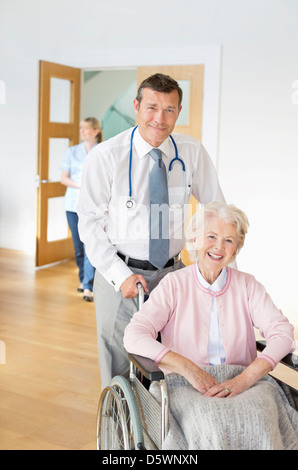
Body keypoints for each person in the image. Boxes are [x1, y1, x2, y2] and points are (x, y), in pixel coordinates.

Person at [77, 74, 226, 389]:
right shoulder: (105, 156)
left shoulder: (191, 151)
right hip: (119, 273)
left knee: (174, 358)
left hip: (173, 273)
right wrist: (120, 275)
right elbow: (89, 223)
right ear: (136, 106)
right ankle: (119, 431)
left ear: (179, 111)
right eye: (152, 107)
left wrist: (219, 270)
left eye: (170, 109)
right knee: (118, 361)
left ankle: (163, 429)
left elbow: (217, 212)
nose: (160, 118)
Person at [124, 201, 298, 450]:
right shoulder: (174, 284)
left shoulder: (247, 285)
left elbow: (282, 332)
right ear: (195, 239)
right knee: (209, 423)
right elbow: (134, 335)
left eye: (229, 240)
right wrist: (188, 368)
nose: (219, 246)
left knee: (259, 418)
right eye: (211, 236)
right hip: (184, 384)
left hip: (244, 382)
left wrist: (246, 378)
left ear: (236, 248)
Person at [61, 117, 102, 302]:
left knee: (90, 246)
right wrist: (82, 185)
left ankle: (88, 286)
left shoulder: (102, 151)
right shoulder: (72, 152)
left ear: (96, 131)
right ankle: (83, 279)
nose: (82, 131)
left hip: (94, 206)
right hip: (72, 205)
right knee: (78, 247)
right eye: (81, 128)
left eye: (86, 128)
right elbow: (64, 179)